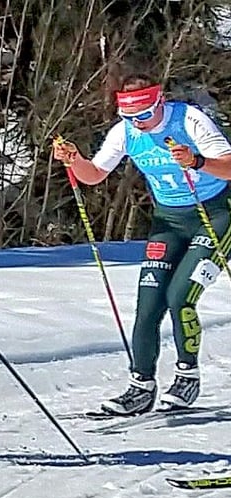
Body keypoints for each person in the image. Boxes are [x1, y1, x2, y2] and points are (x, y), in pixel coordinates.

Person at [54, 74, 231, 414]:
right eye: (131, 117)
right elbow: (94, 175)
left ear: (160, 101)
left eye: (145, 116)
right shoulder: (126, 132)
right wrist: (73, 159)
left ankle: (187, 375)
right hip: (168, 222)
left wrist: (196, 161)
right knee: (148, 305)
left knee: (180, 296)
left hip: (215, 216)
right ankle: (140, 386)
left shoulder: (189, 120)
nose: (139, 124)